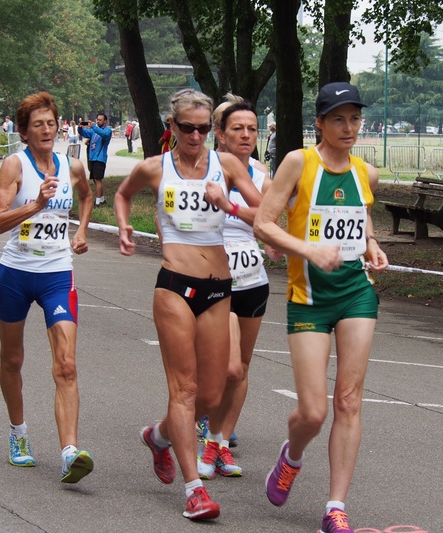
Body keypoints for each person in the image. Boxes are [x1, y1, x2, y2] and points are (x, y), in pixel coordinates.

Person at [114, 88, 262, 522]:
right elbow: (123, 194)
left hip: (219, 289)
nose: (196, 136)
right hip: (174, 286)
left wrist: (229, 203)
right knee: (185, 390)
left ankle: (158, 437)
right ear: (172, 127)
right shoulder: (155, 168)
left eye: (202, 128)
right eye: (187, 128)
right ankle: (194, 489)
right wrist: (124, 228)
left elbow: (266, 215)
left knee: (213, 395)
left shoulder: (228, 165)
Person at [254, 82, 388, 533]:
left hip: (355, 293)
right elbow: (263, 224)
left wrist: (371, 243)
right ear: (320, 123)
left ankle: (335, 506)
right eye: (338, 119)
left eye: (354, 118)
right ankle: (291, 457)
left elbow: (362, 213)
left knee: (348, 400)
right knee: (313, 412)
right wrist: (308, 251)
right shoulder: (298, 162)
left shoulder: (365, 173)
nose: (348, 127)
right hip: (308, 297)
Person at [0, 92, 95, 485]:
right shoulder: (14, 166)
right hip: (16, 273)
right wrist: (34, 205)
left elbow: (87, 196)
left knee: (66, 364)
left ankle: (69, 453)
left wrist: (81, 230)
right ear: (24, 131)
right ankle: (18, 434)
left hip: (57, 274)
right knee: (12, 359)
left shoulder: (72, 166)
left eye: (51, 123)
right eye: (38, 124)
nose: (47, 130)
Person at [197, 95, 273, 480]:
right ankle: (202, 422)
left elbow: (271, 217)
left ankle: (219, 443)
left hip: (253, 278)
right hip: (214, 279)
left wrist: (273, 241)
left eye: (252, 129)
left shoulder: (260, 174)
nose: (246, 136)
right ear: (220, 135)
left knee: (241, 367)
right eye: (238, 129)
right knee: (226, 368)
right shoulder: (204, 170)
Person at [78, 113, 112, 207]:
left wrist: (93, 127)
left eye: (100, 120)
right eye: (97, 119)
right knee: (95, 179)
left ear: (105, 121)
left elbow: (104, 134)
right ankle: (101, 198)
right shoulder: (93, 131)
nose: (98, 121)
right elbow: (84, 133)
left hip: (100, 158)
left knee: (98, 179)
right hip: (92, 158)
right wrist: (80, 128)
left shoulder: (107, 131)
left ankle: (97, 201)